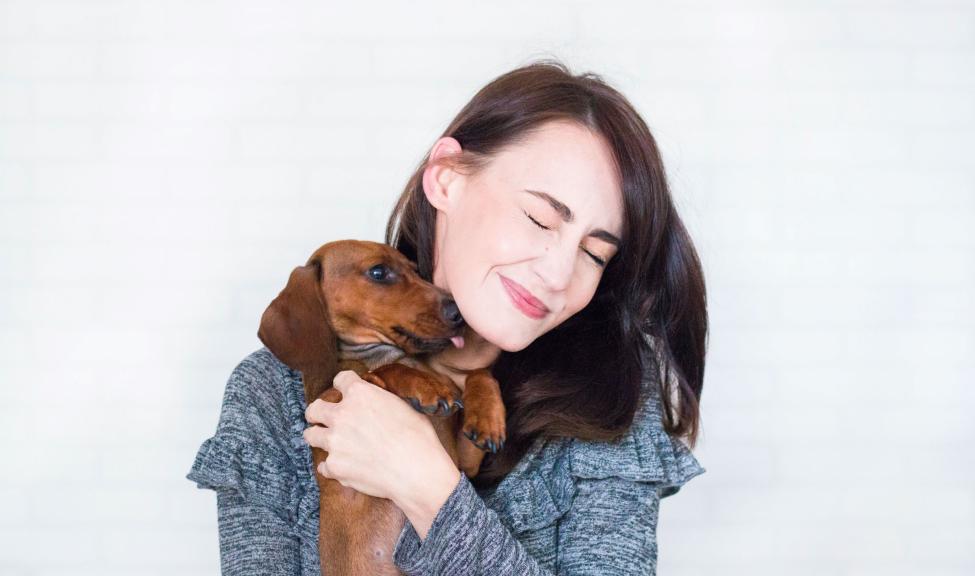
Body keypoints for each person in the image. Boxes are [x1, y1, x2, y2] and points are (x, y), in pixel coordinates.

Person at [187, 58, 707, 575]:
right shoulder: (269, 395)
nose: (557, 273)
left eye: (594, 254)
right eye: (539, 218)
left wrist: (429, 489)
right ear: (446, 180)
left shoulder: (610, 401)